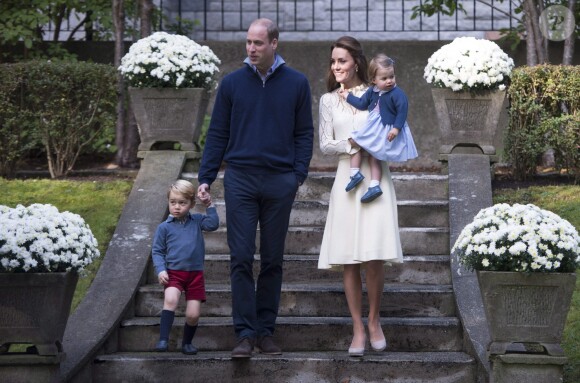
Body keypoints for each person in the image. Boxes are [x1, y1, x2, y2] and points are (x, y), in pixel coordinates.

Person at [197, 18, 313, 358]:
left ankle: (265, 332)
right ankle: (244, 334)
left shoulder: (297, 83)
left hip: (280, 181)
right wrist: (206, 176)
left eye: (258, 43)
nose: (251, 48)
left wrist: (297, 175)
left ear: (274, 43)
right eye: (248, 42)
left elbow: (304, 132)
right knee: (241, 257)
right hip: (241, 179)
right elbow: (218, 132)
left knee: (273, 259)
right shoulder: (232, 83)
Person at [317, 36, 404, 357]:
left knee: (374, 253)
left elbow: (394, 126)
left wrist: (380, 141)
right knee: (349, 258)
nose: (336, 67)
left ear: (356, 62)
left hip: (375, 176)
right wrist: (353, 144)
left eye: (342, 61)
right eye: (333, 62)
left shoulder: (378, 91)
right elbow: (326, 144)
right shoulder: (328, 100)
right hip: (346, 177)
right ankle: (357, 326)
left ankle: (374, 320)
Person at [151, 180, 219, 355]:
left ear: (191, 204)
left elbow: (213, 225)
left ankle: (187, 343)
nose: (177, 207)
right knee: (171, 300)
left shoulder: (196, 221)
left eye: (182, 203)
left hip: (195, 275)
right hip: (173, 273)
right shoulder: (164, 227)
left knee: (193, 315)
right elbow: (157, 251)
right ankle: (163, 339)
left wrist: (209, 205)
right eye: (173, 202)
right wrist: (161, 270)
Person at [339, 53, 418, 203]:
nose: (389, 81)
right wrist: (348, 96)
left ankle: (373, 184)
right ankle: (356, 174)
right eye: (384, 78)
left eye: (392, 77)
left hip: (384, 128)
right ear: (374, 80)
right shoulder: (372, 91)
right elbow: (362, 103)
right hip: (373, 127)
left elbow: (402, 111)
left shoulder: (397, 94)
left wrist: (396, 129)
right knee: (355, 144)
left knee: (372, 154)